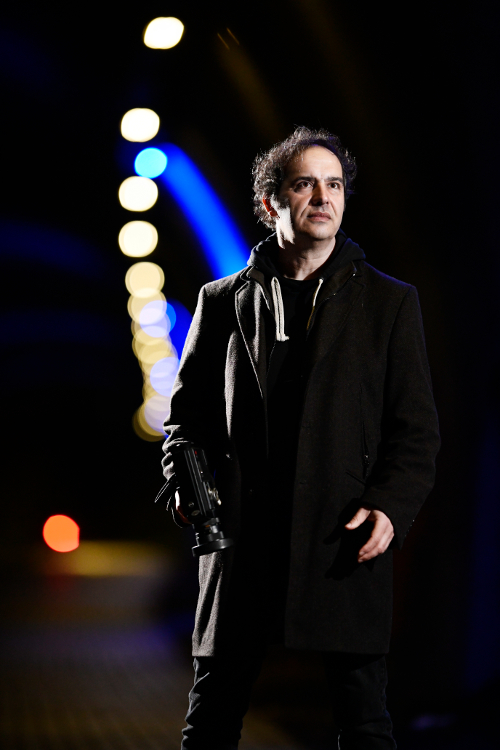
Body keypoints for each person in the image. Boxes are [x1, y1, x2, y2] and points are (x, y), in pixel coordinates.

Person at [160, 126, 440, 749]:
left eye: (334, 184)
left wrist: (390, 507)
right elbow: (186, 420)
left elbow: (416, 432)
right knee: (210, 720)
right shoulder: (222, 301)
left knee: (364, 721)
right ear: (272, 202)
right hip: (242, 542)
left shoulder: (390, 303)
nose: (323, 197)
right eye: (305, 183)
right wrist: (185, 481)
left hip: (342, 537)